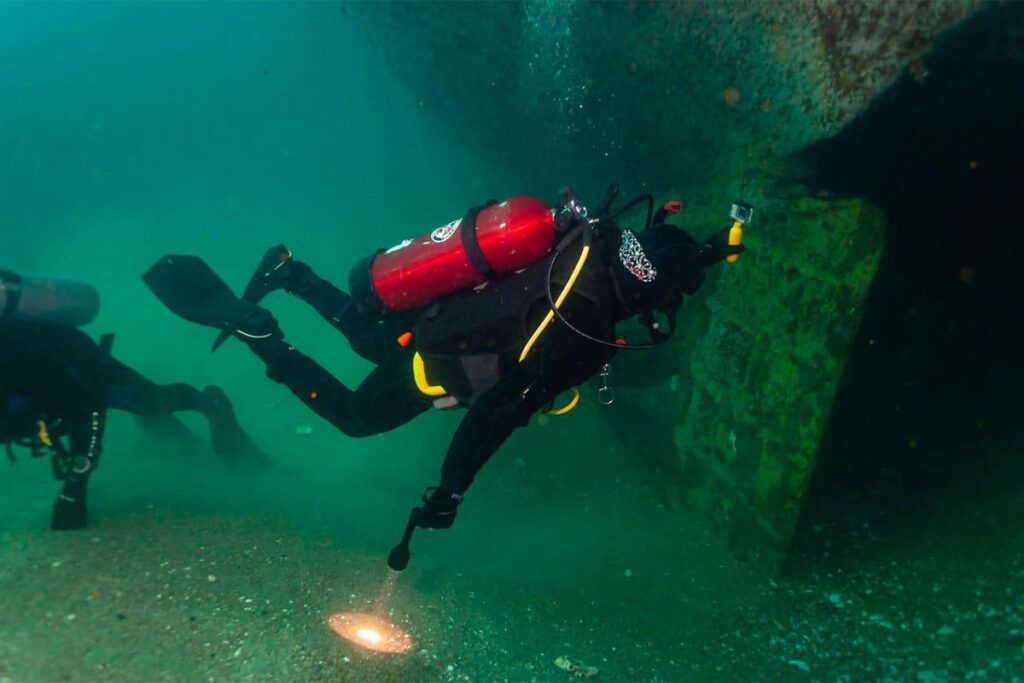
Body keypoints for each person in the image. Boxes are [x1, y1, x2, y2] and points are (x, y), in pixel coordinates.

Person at [143, 188, 743, 554]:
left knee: (374, 341)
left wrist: (711, 248)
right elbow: (497, 410)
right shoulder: (583, 332)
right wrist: (454, 486)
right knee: (356, 416)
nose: (663, 311)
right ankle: (262, 337)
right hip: (441, 364)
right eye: (666, 300)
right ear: (647, 292)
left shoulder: (592, 241)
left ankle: (292, 275)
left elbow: (663, 254)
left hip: (441, 321)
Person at [0, 270, 268, 531]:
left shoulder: (23, 357)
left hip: (92, 375)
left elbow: (87, 411)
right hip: (51, 403)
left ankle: (210, 404)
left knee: (151, 401)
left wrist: (75, 485)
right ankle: (163, 429)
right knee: (147, 409)